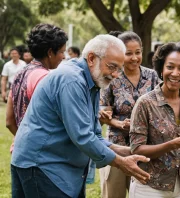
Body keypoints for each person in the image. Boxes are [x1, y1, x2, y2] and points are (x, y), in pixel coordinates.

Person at [11, 34, 151, 198]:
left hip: (56, 166)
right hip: (42, 165)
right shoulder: (72, 80)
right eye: (112, 67)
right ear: (91, 58)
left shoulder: (92, 81)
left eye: (119, 69)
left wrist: (127, 151)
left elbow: (94, 135)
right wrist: (121, 163)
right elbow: (83, 136)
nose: (115, 75)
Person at [129, 42, 180, 198]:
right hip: (149, 186)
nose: (175, 73)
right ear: (161, 68)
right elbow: (136, 149)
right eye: (170, 67)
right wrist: (174, 144)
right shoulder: (145, 103)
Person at [99, 31, 160, 198]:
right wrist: (119, 124)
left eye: (137, 52)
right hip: (116, 148)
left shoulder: (153, 76)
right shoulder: (111, 77)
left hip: (145, 148)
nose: (134, 58)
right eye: (128, 53)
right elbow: (104, 111)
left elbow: (162, 106)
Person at [5, 24, 67, 154]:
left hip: (21, 153)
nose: (64, 57)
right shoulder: (45, 78)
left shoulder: (19, 74)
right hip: (42, 157)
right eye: (62, 52)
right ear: (50, 52)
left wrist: (22, 138)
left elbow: (9, 121)